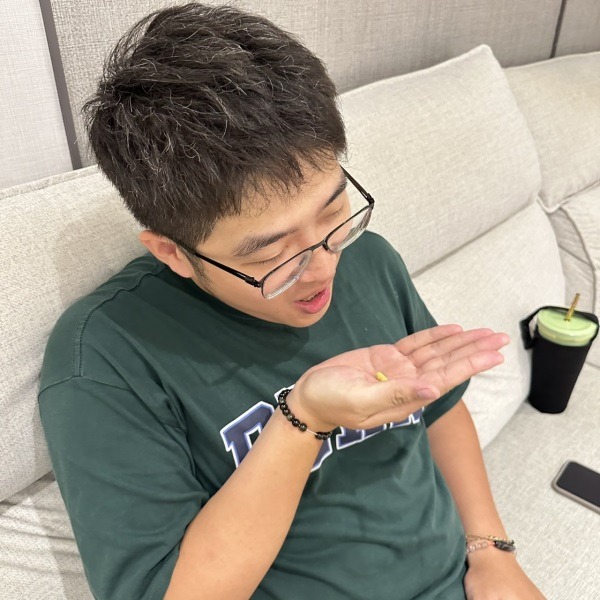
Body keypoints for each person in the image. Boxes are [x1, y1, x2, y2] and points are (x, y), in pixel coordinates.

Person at [38, 3, 545, 599]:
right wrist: (302, 420)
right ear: (173, 252)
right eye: (272, 253)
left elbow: (439, 410)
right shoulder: (107, 357)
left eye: (333, 211)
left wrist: (492, 552)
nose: (323, 267)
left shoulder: (369, 258)